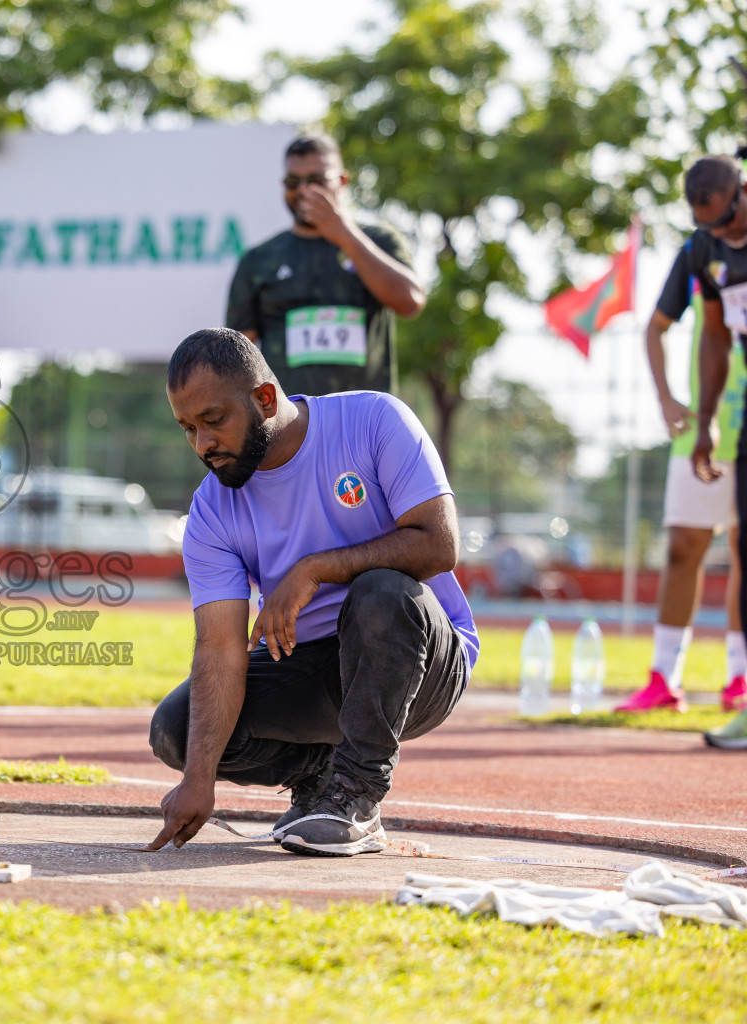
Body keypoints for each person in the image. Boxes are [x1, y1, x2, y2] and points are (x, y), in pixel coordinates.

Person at [148, 328, 476, 857]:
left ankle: (357, 795)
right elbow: (220, 647)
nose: (202, 445)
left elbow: (439, 546)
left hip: (418, 662)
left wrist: (317, 569)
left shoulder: (372, 419)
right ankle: (320, 775)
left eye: (213, 421)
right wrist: (199, 779)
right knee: (176, 731)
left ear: (264, 399)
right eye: (188, 428)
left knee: (381, 592)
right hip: (312, 668)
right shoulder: (211, 510)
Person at [618, 236, 747, 714]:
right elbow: (655, 327)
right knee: (682, 549)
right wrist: (667, 398)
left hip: (744, 427)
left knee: (742, 550)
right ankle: (664, 679)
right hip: (701, 430)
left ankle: (740, 677)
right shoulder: (698, 252)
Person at [225, 133, 425, 397]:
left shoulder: (378, 241)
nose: (304, 190)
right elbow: (238, 357)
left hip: (365, 424)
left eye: (317, 181)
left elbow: (409, 302)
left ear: (342, 182)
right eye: (293, 181)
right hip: (289, 427)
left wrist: (344, 234)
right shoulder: (259, 260)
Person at [685, 154, 747, 748]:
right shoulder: (708, 253)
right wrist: (705, 424)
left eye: (730, 219)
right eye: (711, 225)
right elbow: (715, 338)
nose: (724, 231)